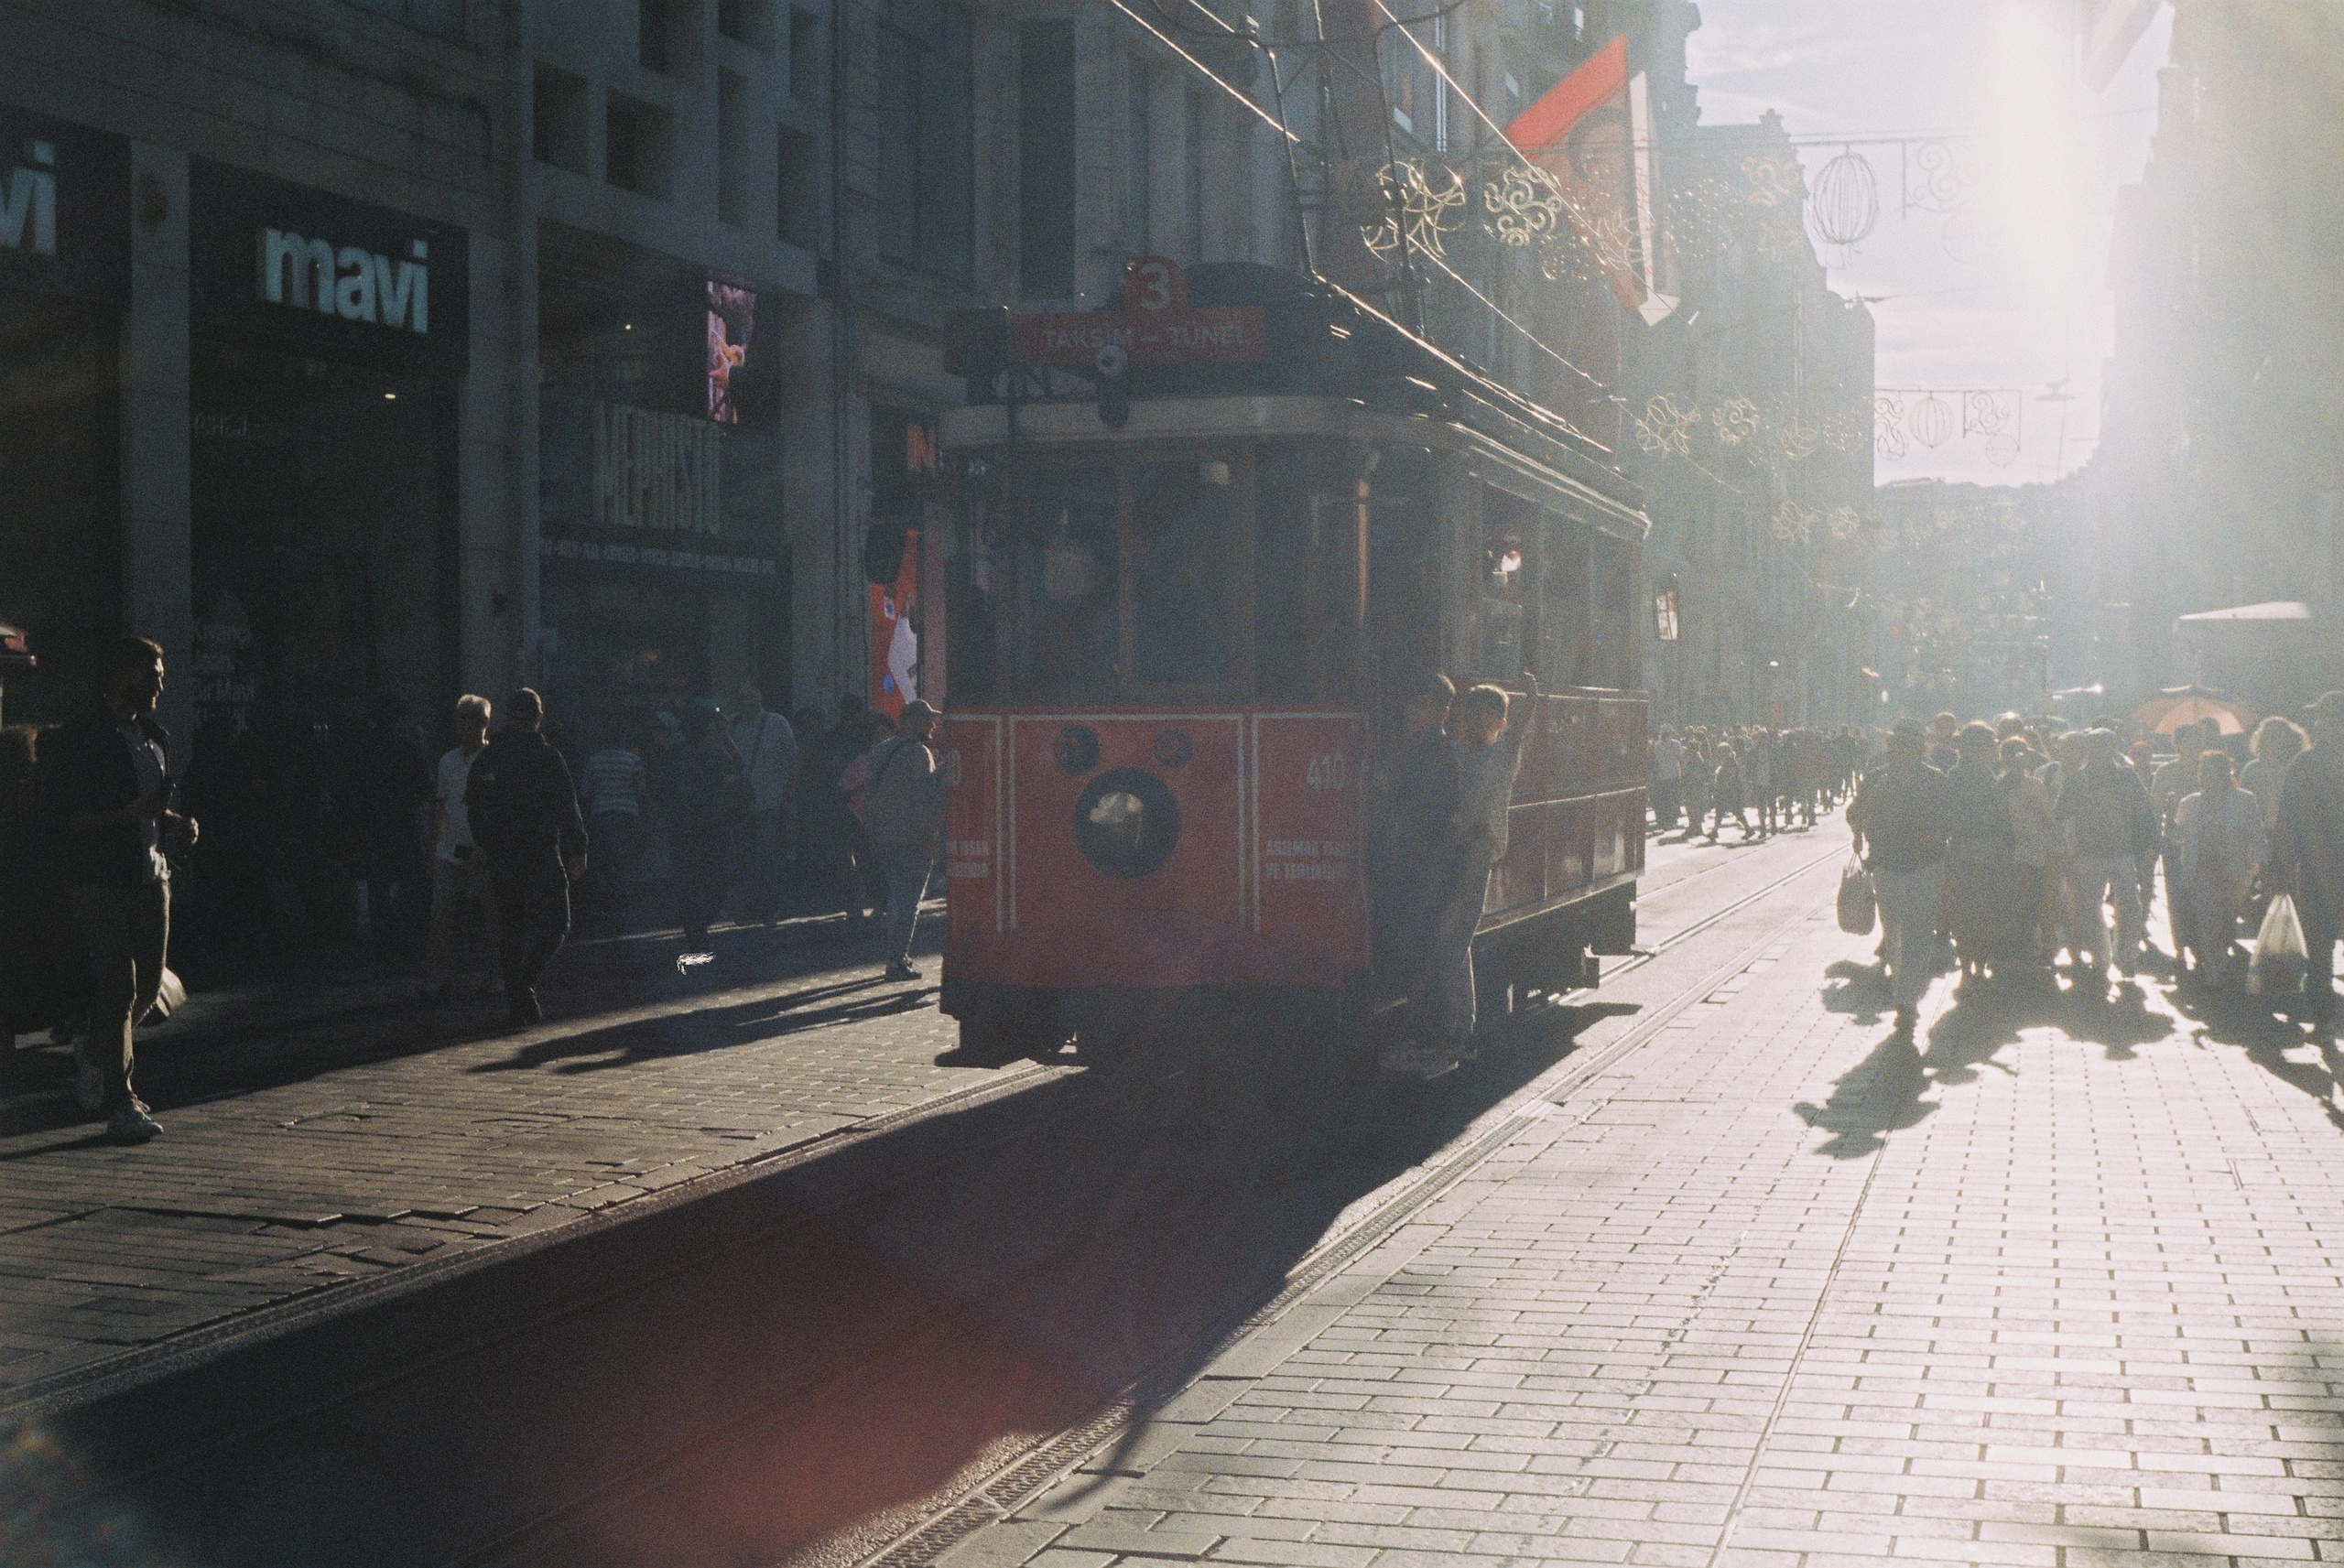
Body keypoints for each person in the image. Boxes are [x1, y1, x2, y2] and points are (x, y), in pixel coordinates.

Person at [38, 637, 196, 1142]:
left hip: (152, 875)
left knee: (150, 987)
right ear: (119, 676)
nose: (159, 685)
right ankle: (121, 1101)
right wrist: (124, 818)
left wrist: (173, 823)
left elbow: (150, 806)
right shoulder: (82, 738)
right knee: (119, 987)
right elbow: (65, 819)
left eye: (161, 675)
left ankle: (95, 1047)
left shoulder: (154, 735)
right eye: (150, 674)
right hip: (100, 879)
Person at [1414, 670, 1543, 1074]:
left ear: (1500, 724)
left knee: (1454, 940)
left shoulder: (1503, 756)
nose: (1477, 724)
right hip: (1449, 853)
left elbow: (1520, 731)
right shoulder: (1456, 752)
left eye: (1487, 719)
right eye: (1472, 716)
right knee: (1451, 940)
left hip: (1477, 853)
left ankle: (1460, 1032)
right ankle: (1455, 1028)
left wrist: (1532, 696)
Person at [464, 689, 588, 1027]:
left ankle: (519, 997)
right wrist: (578, 848)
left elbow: (474, 808)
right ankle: (524, 985)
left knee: (512, 928)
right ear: (538, 717)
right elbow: (568, 806)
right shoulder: (548, 757)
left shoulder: (490, 759)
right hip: (543, 851)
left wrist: (484, 844)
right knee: (557, 923)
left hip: (503, 853)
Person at [1847, 718, 1952, 1035]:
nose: (1902, 752)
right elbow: (1854, 812)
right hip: (1888, 866)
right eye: (1898, 746)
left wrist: (1934, 836)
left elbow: (1950, 820)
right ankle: (1904, 989)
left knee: (1919, 934)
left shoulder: (1935, 780)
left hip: (1925, 866)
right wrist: (1860, 826)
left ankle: (1907, 1002)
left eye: (1909, 746)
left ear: (1919, 749)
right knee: (1893, 931)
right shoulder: (1878, 779)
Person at [1371, 673, 1460, 996]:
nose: (1413, 713)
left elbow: (1423, 805)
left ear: (1442, 712)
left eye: (1422, 706)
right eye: (1412, 706)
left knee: (1421, 947)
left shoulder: (1440, 752)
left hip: (1425, 862)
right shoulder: (1415, 748)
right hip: (1410, 859)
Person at [853, 698, 953, 982]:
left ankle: (894, 955)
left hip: (883, 836)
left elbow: (870, 796)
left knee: (897, 898)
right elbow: (928, 799)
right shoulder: (920, 754)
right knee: (908, 902)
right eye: (927, 719)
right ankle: (897, 959)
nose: (933, 725)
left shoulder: (880, 751)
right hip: (913, 838)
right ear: (912, 721)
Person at [2269, 693, 2344, 1028]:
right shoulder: (2306, 765)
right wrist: (2283, 869)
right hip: (2316, 868)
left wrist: (2283, 869)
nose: (2319, 724)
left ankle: (2324, 1016)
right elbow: (2288, 821)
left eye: (2325, 718)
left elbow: (2288, 821)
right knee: (2319, 946)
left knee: (2320, 945)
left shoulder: (2307, 764)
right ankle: (2323, 1013)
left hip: (2318, 867)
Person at [2057, 728, 2152, 982]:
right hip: (2090, 851)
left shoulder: (2126, 776)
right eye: (2095, 746)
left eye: (2105, 746)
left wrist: (2147, 844)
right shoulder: (2077, 779)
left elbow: (2144, 811)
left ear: (2113, 748)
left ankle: (2125, 956)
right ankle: (2103, 955)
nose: (2100, 751)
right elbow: (2062, 814)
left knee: (2129, 906)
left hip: (2121, 849)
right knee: (2091, 907)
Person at [424, 695, 502, 999]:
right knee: (440, 915)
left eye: (469, 717)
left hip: (486, 851)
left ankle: (499, 974)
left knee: (493, 916)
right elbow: (440, 806)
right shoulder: (447, 761)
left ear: (484, 722)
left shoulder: (495, 758)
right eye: (459, 718)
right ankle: (439, 976)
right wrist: (434, 848)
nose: (463, 724)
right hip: (450, 848)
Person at [2173, 750, 2266, 988]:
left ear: (2226, 773)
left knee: (2227, 919)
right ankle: (2215, 971)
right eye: (2202, 771)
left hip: (2237, 872)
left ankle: (2217, 957)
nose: (2206, 777)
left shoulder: (2245, 800)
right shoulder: (2189, 803)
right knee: (2209, 919)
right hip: (2201, 871)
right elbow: (2177, 835)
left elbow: (2256, 835)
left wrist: (2256, 866)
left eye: (2211, 772)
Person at [1941, 722, 2015, 982]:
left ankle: (1968, 963)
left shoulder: (1956, 775)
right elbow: (2000, 817)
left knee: (1964, 910)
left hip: (1963, 851)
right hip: (1983, 851)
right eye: (1990, 746)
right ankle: (1977, 962)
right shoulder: (1986, 777)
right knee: (1984, 909)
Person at [668, 705, 745, 955]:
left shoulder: (677, 754)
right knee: (718, 877)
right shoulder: (714, 753)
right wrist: (725, 735)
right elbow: (738, 764)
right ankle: (700, 922)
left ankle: (695, 927)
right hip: (713, 823)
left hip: (684, 826)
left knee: (690, 879)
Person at [727, 685, 798, 925]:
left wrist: (787, 793)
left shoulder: (777, 723)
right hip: (743, 802)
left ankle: (769, 908)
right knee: (746, 858)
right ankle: (753, 907)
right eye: (741, 698)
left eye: (749, 697)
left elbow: (793, 758)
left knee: (767, 857)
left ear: (759, 698)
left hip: (770, 799)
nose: (745, 702)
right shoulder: (733, 726)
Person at [577, 724, 650, 935]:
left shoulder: (595, 760)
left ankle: (612, 903)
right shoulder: (632, 760)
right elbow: (641, 790)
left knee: (607, 860)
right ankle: (624, 902)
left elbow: (586, 790)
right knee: (624, 858)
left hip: (603, 814)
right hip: (628, 814)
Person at [2242, 717, 2306, 839]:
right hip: (2260, 833)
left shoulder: (2297, 768)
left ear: (2289, 739)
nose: (2273, 740)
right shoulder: (2252, 770)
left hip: (2292, 832)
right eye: (2268, 736)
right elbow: (2244, 805)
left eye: (2278, 736)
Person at [1709, 741, 1751, 842]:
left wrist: (1724, 787)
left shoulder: (1731, 762)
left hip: (1730, 791)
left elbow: (1730, 777)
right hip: (1725, 791)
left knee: (1736, 812)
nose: (1719, 754)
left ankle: (1748, 829)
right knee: (1720, 812)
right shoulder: (1725, 762)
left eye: (1721, 752)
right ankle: (1714, 832)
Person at [1649, 726, 1683, 834]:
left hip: (1662, 774)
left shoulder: (1657, 745)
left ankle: (1667, 816)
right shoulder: (1676, 743)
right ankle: (1673, 816)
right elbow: (1680, 757)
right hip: (1674, 773)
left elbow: (1655, 759)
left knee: (1665, 797)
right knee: (1674, 795)